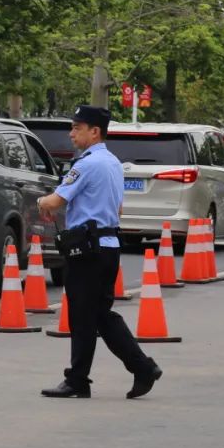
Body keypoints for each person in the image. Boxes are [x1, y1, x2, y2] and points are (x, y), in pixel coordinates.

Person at [37, 105, 162, 399]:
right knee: (98, 315)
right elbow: (117, 208)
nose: (71, 134)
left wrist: (43, 200)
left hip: (87, 251)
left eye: (77, 128)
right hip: (107, 247)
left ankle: (101, 375)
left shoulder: (87, 164)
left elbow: (54, 202)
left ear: (94, 132)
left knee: (84, 316)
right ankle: (126, 370)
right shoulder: (114, 164)